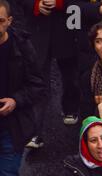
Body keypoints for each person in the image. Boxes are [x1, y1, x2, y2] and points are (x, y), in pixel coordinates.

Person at [0, 0, 44, 176]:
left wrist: (16, 101)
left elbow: (37, 84)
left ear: (8, 21)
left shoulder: (22, 46)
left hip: (11, 129)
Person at [22, 0, 80, 149]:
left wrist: (59, 3)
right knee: (38, 78)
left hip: (69, 22)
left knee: (70, 73)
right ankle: (34, 132)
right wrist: (35, 5)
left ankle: (71, 107)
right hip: (37, 25)